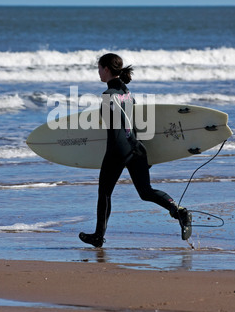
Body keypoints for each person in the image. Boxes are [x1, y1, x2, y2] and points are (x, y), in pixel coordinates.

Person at [79, 53, 192, 248]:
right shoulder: (128, 93)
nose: (98, 72)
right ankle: (179, 211)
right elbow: (134, 124)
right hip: (136, 147)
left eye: (99, 68)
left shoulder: (107, 96)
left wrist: (113, 156)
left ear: (106, 69)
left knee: (104, 193)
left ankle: (98, 236)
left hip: (119, 149)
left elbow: (115, 131)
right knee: (146, 192)